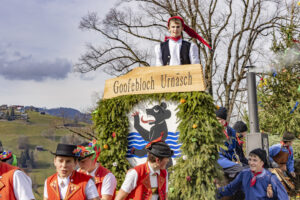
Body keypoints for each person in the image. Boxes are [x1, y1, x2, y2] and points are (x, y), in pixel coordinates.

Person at [217, 148, 289, 200]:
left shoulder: (271, 178)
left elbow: (283, 197)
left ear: (262, 163)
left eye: (255, 160)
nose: (251, 163)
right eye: (250, 160)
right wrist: (213, 193)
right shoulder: (244, 174)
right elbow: (230, 189)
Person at [216, 107, 247, 179]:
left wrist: (237, 161)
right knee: (240, 170)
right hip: (219, 158)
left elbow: (235, 149)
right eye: (218, 120)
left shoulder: (232, 131)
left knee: (247, 170)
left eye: (221, 119)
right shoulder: (213, 131)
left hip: (230, 160)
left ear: (225, 119)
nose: (220, 122)